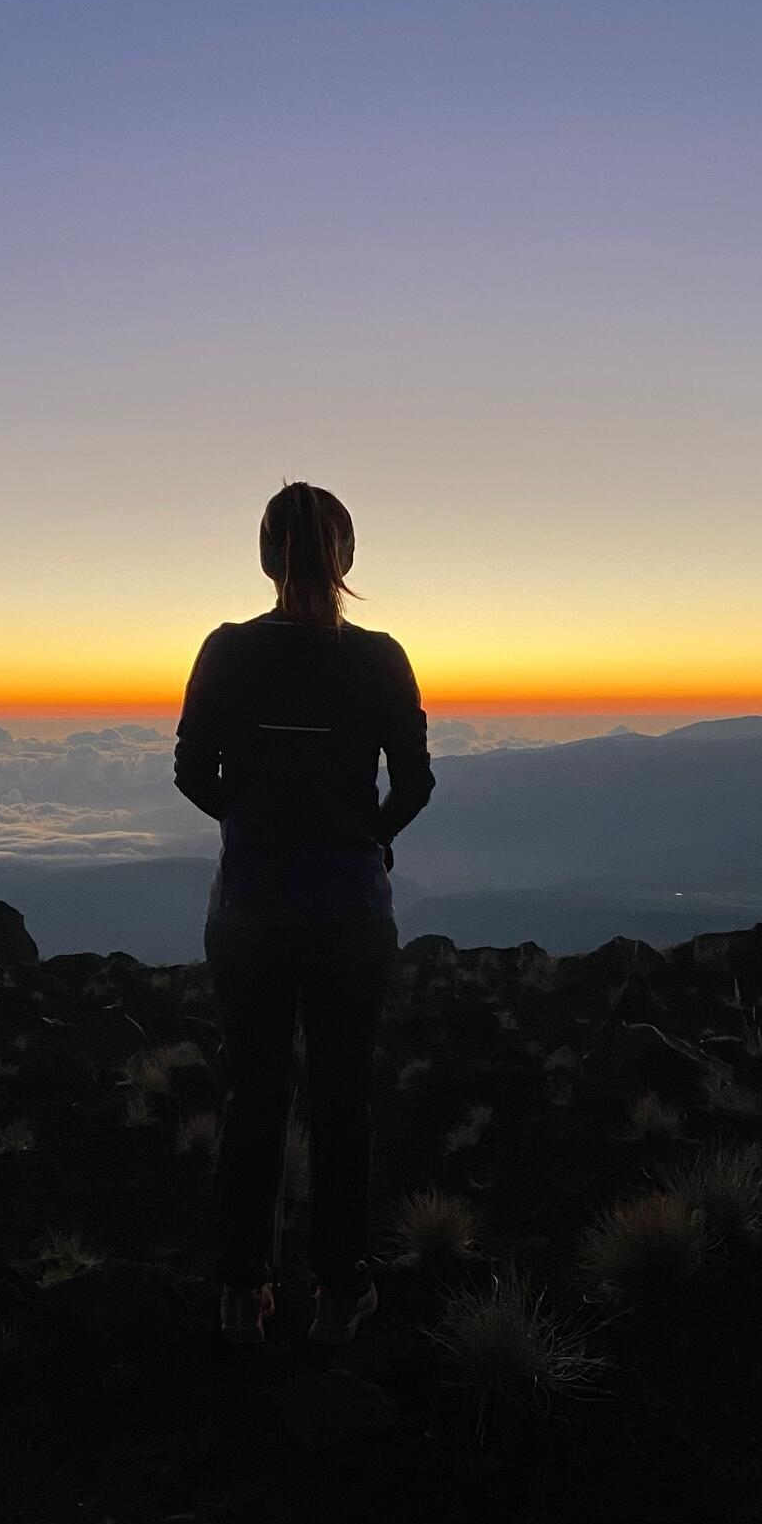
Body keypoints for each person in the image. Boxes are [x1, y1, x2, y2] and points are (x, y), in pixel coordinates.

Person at [172, 480, 435, 1347]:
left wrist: (250, 822)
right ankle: (338, 1290)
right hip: (350, 909)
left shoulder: (226, 650)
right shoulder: (380, 658)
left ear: (264, 558)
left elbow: (190, 771)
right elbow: (416, 783)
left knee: (255, 1094)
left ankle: (242, 1295)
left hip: (249, 905)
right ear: (346, 557)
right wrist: (364, 835)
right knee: (342, 1097)